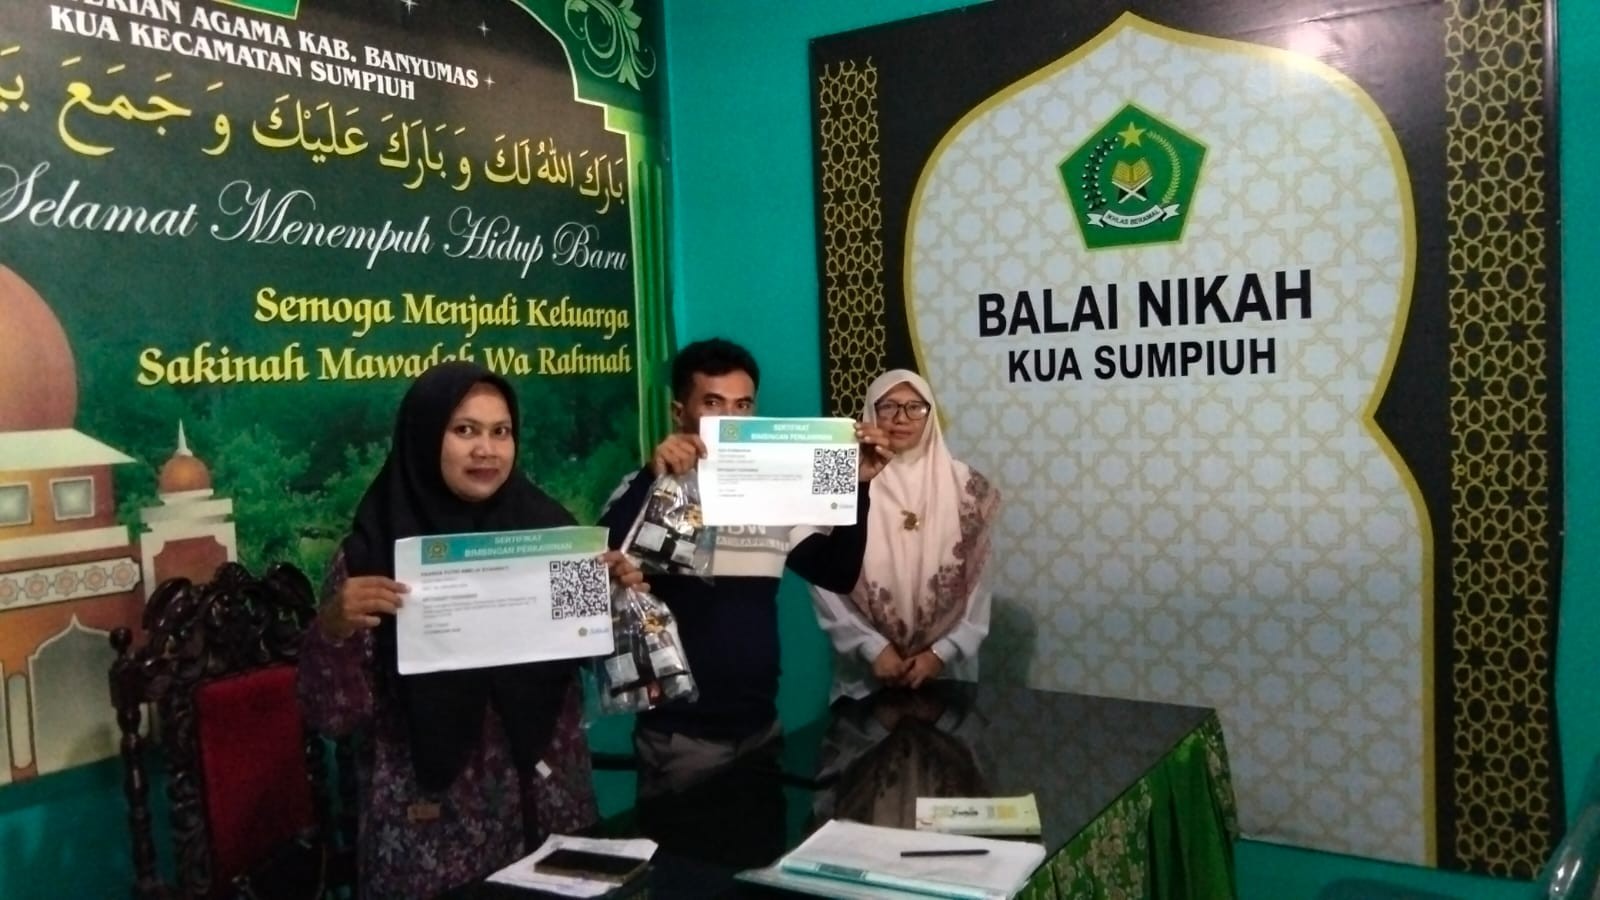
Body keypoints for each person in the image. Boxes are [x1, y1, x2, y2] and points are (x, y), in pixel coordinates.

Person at [298, 361, 646, 900]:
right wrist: (334, 630)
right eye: (465, 430)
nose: (486, 450)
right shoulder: (372, 556)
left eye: (500, 431)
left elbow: (606, 671)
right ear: (423, 437)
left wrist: (618, 600)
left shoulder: (552, 536)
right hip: (430, 832)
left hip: (551, 815)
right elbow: (332, 717)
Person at [598, 338, 892, 800]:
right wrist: (654, 475)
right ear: (680, 412)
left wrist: (859, 488)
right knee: (684, 848)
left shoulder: (771, 492)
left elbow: (836, 573)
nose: (730, 418)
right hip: (680, 737)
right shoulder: (645, 487)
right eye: (713, 403)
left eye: (743, 404)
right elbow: (603, 565)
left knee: (764, 842)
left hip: (762, 728)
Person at [810, 369, 999, 700]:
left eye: (915, 407)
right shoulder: (840, 476)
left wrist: (941, 652)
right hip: (865, 676)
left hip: (946, 672)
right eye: (888, 406)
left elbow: (979, 578)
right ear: (870, 411)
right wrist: (872, 648)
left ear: (930, 414)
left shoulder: (967, 486)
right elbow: (821, 575)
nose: (902, 418)